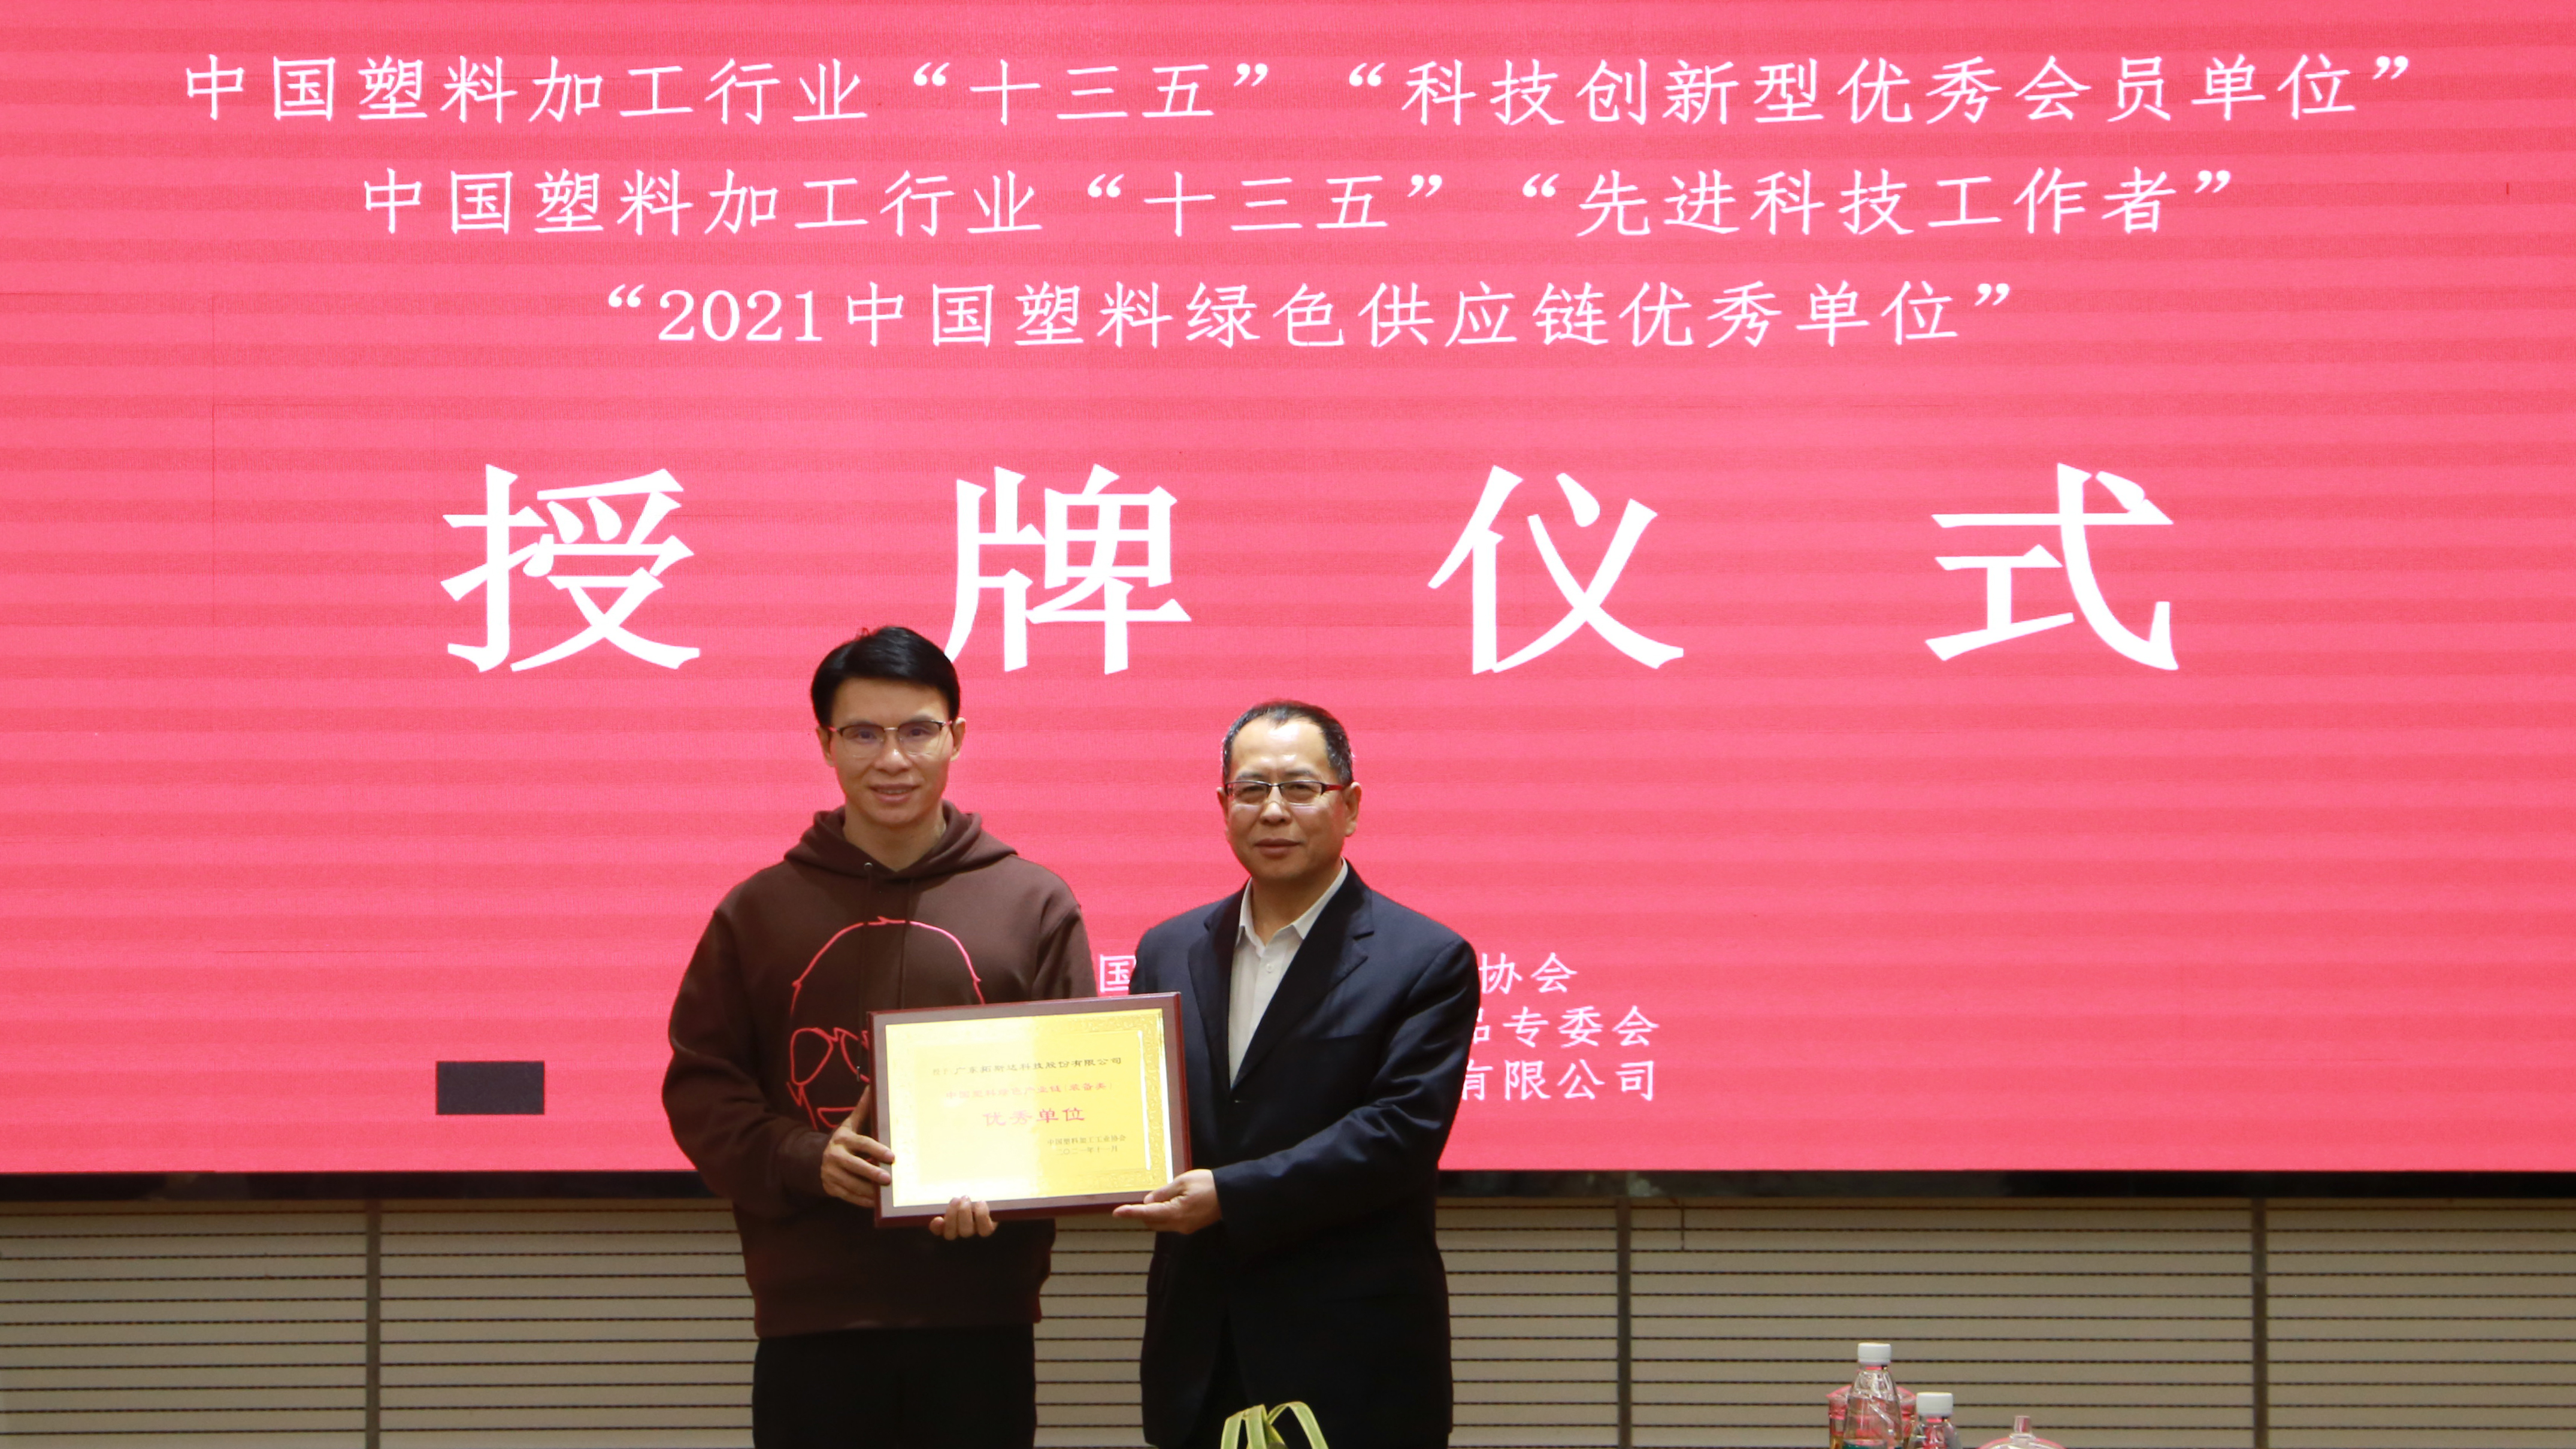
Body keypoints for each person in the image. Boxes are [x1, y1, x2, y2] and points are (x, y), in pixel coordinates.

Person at [664, 625, 1095, 1449]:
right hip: (811, 1319)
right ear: (825, 743)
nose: (891, 758)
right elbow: (702, 1088)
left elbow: (1071, 1092)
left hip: (979, 1312)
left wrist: (1007, 1184)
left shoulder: (1033, 903)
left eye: (917, 731)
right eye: (863, 733)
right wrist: (805, 1157)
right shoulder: (758, 910)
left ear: (956, 736)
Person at [1115, 701, 1479, 1449]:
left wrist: (1230, 1195)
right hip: (1200, 1350)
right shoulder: (1166, 949)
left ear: (1350, 806)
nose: (1273, 810)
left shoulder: (1424, 959)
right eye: (1251, 789)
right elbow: (1133, 1114)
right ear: (1223, 807)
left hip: (1351, 1357)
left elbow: (1397, 1135)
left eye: (1300, 787)